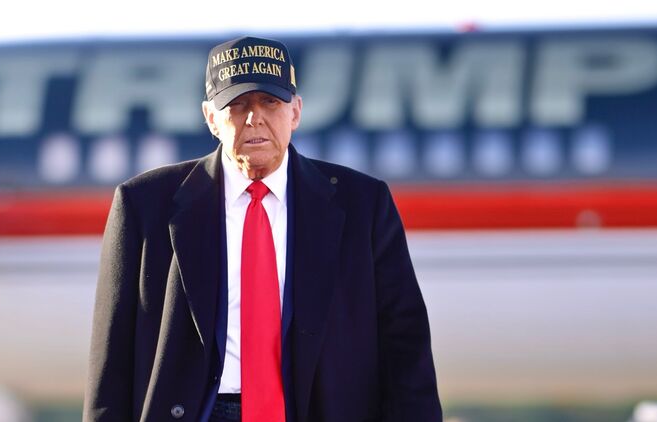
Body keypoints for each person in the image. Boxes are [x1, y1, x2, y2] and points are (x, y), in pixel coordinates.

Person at [83, 36, 441, 422]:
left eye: (270, 102)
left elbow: (404, 344)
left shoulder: (363, 205)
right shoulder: (144, 205)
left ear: (295, 112)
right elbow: (112, 358)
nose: (255, 118)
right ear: (210, 118)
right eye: (237, 104)